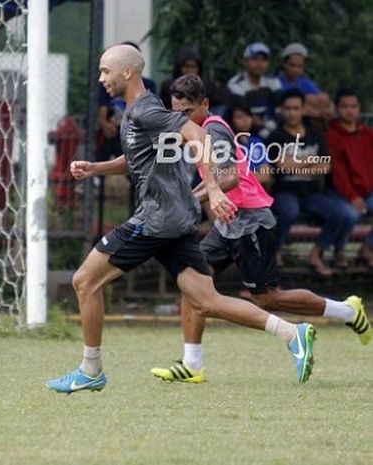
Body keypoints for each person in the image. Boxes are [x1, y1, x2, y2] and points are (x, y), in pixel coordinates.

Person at [45, 45, 316, 394]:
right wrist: (97, 167)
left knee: (85, 281)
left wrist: (215, 190)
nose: (101, 79)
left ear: (127, 72)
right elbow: (137, 159)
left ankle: (91, 369)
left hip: (157, 218)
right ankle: (293, 334)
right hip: (176, 218)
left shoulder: (145, 110)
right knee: (206, 300)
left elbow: (198, 134)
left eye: (105, 71)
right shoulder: (138, 113)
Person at [150, 75, 369, 383]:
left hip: (251, 219)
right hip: (228, 222)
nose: (180, 118)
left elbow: (229, 178)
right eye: (176, 112)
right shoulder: (195, 130)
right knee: (193, 282)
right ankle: (192, 364)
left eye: (186, 112)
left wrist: (188, 198)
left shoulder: (213, 130)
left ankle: (347, 311)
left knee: (267, 298)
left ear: (205, 105)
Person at [267, 89, 352, 275]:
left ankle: (316, 253)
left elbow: (325, 167)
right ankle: (275, 250)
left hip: (312, 194)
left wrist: (296, 163)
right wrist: (310, 161)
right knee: (288, 211)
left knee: (343, 213)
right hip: (285, 191)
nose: (292, 112)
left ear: (303, 109)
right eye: (287, 108)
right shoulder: (276, 137)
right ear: (281, 110)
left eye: (296, 108)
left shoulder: (315, 135)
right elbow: (282, 166)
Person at [325, 87, 373, 269]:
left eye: (353, 106)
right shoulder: (332, 135)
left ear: (359, 108)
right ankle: (338, 251)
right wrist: (352, 196)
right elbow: (338, 172)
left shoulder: (368, 134)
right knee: (350, 214)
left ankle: (368, 248)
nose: (350, 110)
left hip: (367, 192)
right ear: (337, 109)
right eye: (345, 106)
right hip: (340, 192)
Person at [227, 42, 282, 138]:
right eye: (255, 59)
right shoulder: (235, 83)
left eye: (264, 60)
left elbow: (280, 106)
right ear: (245, 62)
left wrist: (271, 124)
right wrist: (264, 127)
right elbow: (245, 111)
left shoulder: (273, 82)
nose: (259, 64)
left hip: (270, 124)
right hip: (246, 128)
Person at [278, 43, 331, 121]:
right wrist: (318, 113)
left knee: (323, 97)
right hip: (286, 118)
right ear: (283, 64)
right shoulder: (276, 82)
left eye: (299, 66)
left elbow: (322, 98)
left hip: (309, 118)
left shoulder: (304, 82)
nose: (295, 70)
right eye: (292, 65)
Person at [224, 99, 271, 187]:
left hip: (256, 192)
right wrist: (254, 175)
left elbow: (265, 176)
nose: (245, 120)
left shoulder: (257, 142)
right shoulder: (227, 144)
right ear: (231, 120)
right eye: (239, 117)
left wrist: (244, 176)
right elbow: (229, 177)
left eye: (248, 116)